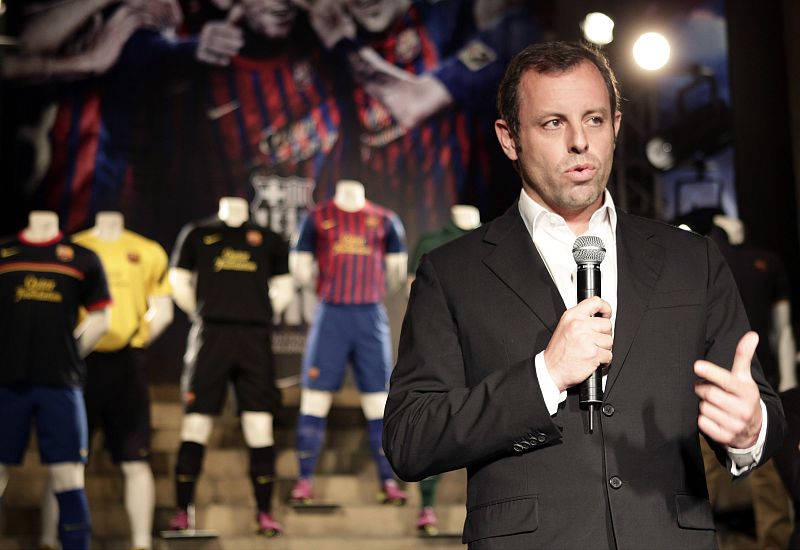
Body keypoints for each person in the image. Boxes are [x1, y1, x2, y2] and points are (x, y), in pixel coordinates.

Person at [382, 41, 785, 549]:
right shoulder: (452, 272)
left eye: (594, 119)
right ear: (510, 138)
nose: (579, 141)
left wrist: (750, 431)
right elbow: (409, 439)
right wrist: (543, 376)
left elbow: (760, 410)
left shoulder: (693, 260)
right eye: (553, 123)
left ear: (616, 126)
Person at [38, 211, 173, 550]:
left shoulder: (147, 251)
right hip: (78, 364)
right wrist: (71, 350)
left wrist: (137, 338)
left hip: (127, 365)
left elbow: (163, 310)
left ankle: (142, 542)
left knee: (135, 458)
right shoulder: (74, 249)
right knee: (64, 460)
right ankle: (48, 539)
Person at [167, 196, 293, 536]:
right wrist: (202, 312)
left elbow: (284, 287)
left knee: (259, 425)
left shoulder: (269, 239)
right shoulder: (197, 234)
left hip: (254, 340)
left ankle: (264, 513)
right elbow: (177, 281)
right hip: (211, 337)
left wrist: (263, 311)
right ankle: (183, 511)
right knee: (195, 425)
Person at [289, 179, 408, 505]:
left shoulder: (385, 220)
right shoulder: (316, 217)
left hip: (369, 316)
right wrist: (326, 290)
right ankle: (304, 482)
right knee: (314, 399)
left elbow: (397, 271)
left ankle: (388, 482)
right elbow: (298, 266)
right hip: (331, 316)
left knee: (378, 401)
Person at [0, 211, 112, 550]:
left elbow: (100, 319)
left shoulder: (81, 257)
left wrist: (69, 352)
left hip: (61, 384)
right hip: (6, 382)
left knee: (68, 475)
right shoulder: (4, 253)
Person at [406, 203, 480, 534]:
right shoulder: (432, 241)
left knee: (490, 427)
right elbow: (415, 297)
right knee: (434, 424)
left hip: (488, 350)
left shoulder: (505, 238)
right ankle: (426, 507)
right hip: (442, 351)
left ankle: (484, 509)